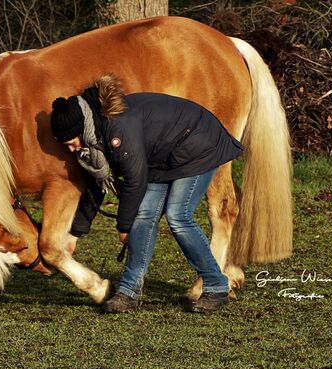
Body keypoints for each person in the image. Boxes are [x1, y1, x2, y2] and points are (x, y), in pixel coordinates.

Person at [50, 75, 244, 313]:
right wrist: (75, 233)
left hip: (198, 145)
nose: (72, 149)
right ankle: (129, 292)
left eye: (71, 142)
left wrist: (123, 226)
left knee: (178, 216)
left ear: (81, 129)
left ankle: (216, 285)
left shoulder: (115, 130)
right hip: (164, 157)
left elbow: (135, 180)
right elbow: (96, 185)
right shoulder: (96, 134)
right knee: (144, 215)